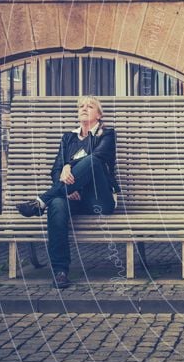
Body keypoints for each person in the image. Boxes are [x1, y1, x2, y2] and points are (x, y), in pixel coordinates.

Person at [16, 95, 120, 289]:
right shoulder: (68, 138)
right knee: (56, 204)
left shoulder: (107, 134)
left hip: (100, 200)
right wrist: (64, 180)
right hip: (73, 197)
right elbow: (55, 171)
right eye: (81, 106)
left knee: (92, 161)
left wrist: (68, 166)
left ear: (99, 115)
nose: (84, 109)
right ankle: (60, 272)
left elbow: (98, 157)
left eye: (89, 106)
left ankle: (41, 201)